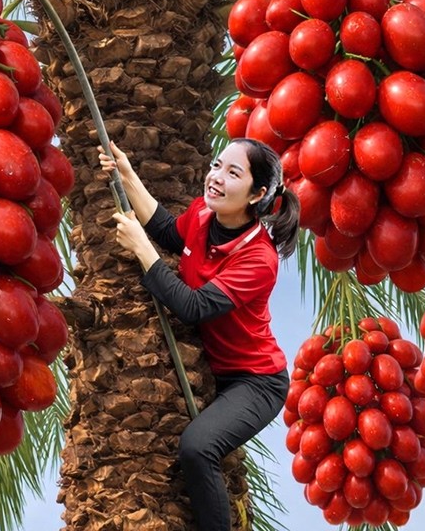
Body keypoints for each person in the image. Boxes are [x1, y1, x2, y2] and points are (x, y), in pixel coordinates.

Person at [99, 138, 300, 531]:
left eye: (233, 173)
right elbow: (168, 232)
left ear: (256, 194)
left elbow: (192, 307)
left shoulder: (259, 258)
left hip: (255, 382)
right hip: (213, 367)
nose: (216, 177)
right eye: (216, 165)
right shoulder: (203, 214)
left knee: (198, 447)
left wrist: (142, 250)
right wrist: (127, 173)